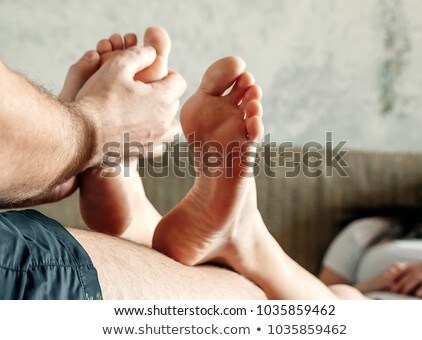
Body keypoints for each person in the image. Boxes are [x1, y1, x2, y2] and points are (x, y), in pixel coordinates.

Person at [1, 27, 365, 300]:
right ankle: (234, 239)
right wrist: (92, 128)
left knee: (350, 302)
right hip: (24, 267)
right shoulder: (373, 233)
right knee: (291, 307)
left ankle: (145, 221)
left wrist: (73, 142)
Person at [319, 175, 422, 299]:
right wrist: (371, 286)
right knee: (341, 293)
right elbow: (318, 296)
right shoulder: (370, 229)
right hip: (359, 309)